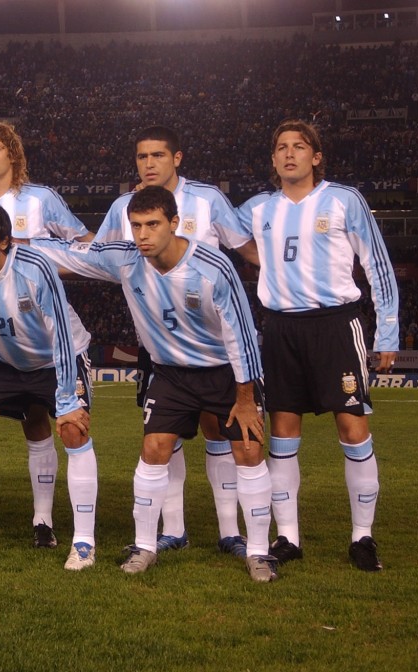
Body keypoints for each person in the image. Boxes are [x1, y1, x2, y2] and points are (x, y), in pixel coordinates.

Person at [34, 186, 277, 582]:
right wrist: (8, 245)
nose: (142, 234)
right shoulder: (126, 260)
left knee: (248, 452)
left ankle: (259, 552)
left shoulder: (213, 267)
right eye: (135, 226)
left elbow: (241, 334)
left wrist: (246, 396)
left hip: (223, 373)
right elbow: (66, 252)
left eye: (152, 225)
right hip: (170, 374)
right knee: (154, 449)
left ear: (174, 224)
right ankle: (145, 546)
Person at [237, 119, 399, 572]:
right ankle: (288, 536)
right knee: (284, 433)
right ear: (272, 159)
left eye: (300, 146)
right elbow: (213, 230)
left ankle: (362, 537)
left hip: (335, 326)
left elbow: (378, 265)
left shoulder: (344, 200)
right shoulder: (257, 209)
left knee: (352, 428)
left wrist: (387, 331)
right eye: (282, 147)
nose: (290, 154)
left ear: (316, 156)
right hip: (281, 328)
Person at [96, 126, 261, 558]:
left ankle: (231, 530)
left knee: (217, 430)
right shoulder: (122, 206)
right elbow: (99, 254)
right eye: (141, 157)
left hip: (210, 334)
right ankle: (173, 528)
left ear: (177, 159)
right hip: (160, 337)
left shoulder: (207, 200)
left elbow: (247, 250)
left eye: (157, 156)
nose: (148, 164)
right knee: (162, 435)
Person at [0, 120, 94, 548]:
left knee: (41, 420)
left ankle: (45, 522)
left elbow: (86, 242)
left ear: (13, 153)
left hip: (43, 322)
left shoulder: (40, 199)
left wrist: (39, 258)